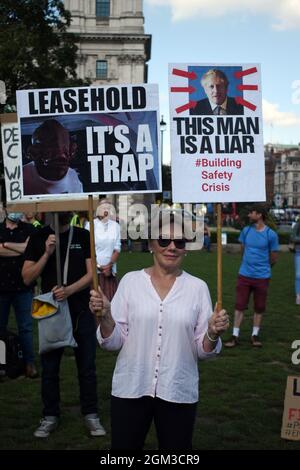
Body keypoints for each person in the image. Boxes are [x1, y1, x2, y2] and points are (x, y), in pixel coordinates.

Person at [89, 213, 229, 450]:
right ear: (152, 244)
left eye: (180, 242)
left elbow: (203, 351)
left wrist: (212, 334)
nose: (172, 247)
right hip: (131, 387)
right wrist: (106, 316)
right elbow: (113, 343)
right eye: (164, 240)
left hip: (178, 389)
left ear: (186, 249)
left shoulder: (198, 288)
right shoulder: (131, 282)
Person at [22, 212, 105, 438]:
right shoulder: (39, 237)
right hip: (51, 312)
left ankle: (91, 414)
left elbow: (91, 274)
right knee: (49, 369)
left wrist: (69, 290)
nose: (64, 213)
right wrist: (47, 253)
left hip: (81, 310)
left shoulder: (82, 234)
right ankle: (50, 415)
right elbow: (27, 277)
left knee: (87, 367)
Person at [224, 205, 279, 348]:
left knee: (259, 307)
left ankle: (255, 335)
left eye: (252, 213)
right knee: (239, 305)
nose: (249, 215)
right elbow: (243, 251)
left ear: (259, 215)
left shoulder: (271, 235)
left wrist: (264, 268)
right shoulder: (246, 231)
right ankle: (235, 336)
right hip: (244, 275)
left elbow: (273, 257)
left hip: (262, 277)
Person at [0, 210, 38, 378]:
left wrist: (6, 245)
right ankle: (2, 365)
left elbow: (31, 249)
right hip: (1, 287)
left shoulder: (30, 229)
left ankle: (29, 363)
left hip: (23, 286)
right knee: (0, 328)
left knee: (26, 328)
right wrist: (21, 248)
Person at [23, 119, 83, 195]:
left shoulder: (73, 177)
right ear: (33, 152)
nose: (60, 155)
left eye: (65, 149)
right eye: (49, 147)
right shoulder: (22, 177)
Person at [86, 201, 121, 301]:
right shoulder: (90, 225)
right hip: (94, 272)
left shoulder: (115, 226)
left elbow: (117, 248)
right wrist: (98, 266)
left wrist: (109, 266)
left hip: (110, 272)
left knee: (111, 304)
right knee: (95, 303)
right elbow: (88, 249)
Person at [290, 217, 300, 305]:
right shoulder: (298, 224)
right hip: (299, 252)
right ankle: (298, 296)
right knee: (298, 274)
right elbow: (292, 237)